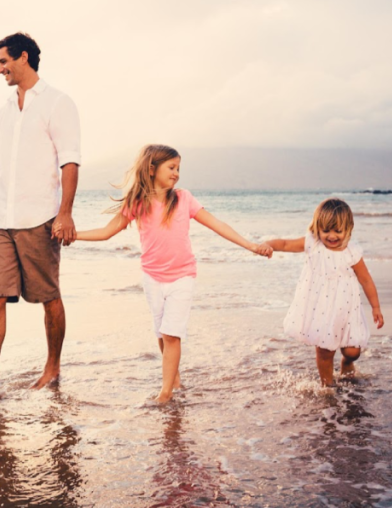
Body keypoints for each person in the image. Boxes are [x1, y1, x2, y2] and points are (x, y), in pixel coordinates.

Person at [74, 144, 272, 403]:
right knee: (162, 334)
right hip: (152, 278)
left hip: (182, 276)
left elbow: (217, 225)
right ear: (152, 168)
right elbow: (106, 232)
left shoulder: (184, 199)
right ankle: (174, 380)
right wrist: (73, 236)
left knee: (171, 334)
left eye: (179, 168)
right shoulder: (138, 203)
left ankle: (165, 393)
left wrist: (251, 245)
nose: (177, 173)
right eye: (172, 167)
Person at [0, 32, 81, 405]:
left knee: (48, 296)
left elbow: (70, 160)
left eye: (3, 62)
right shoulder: (3, 111)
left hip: (40, 217)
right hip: (1, 216)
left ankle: (52, 367)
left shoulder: (58, 103)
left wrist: (64, 213)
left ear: (23, 58)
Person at [263, 198, 384, 386]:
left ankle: (347, 363)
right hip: (321, 308)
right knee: (325, 351)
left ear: (348, 229)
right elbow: (286, 244)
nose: (332, 236)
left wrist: (376, 306)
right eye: (326, 230)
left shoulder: (351, 252)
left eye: (338, 230)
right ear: (317, 228)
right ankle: (327, 386)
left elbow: (366, 279)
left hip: (346, 308)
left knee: (353, 351)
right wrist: (267, 245)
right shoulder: (313, 244)